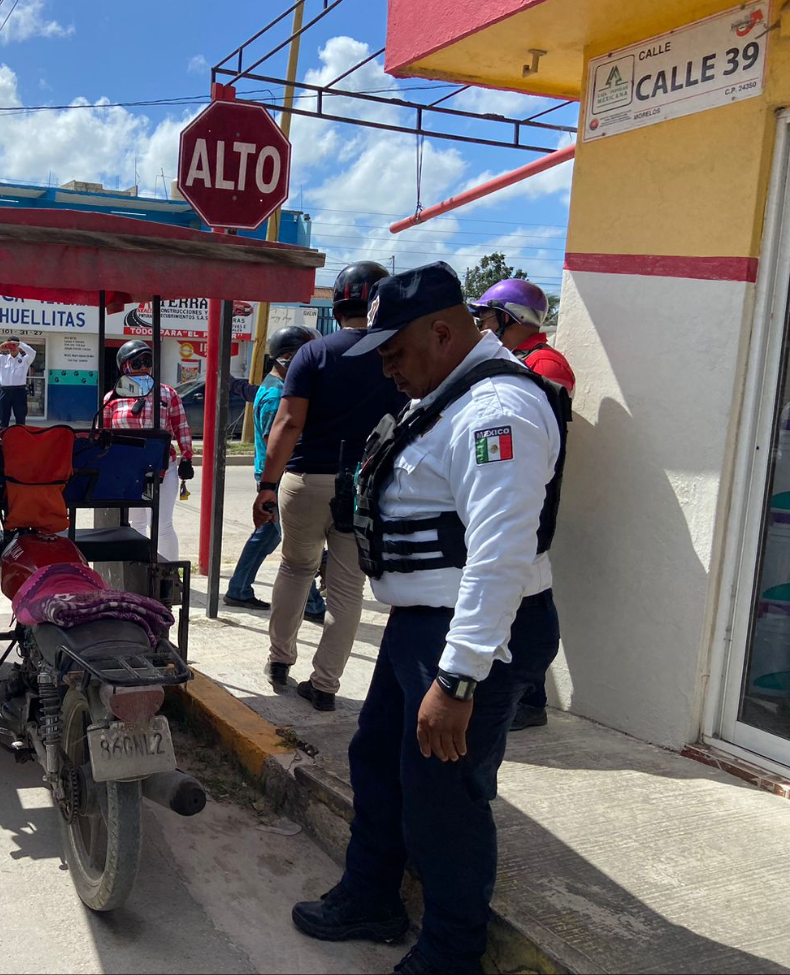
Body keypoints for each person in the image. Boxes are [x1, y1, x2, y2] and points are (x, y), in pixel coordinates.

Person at [290, 263, 568, 975]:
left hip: (473, 631)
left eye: (393, 352)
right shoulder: (444, 392)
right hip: (422, 622)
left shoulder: (496, 412)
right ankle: (372, 895)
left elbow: (500, 555)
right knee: (379, 760)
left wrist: (459, 676)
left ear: (443, 332)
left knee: (445, 793)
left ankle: (452, 950)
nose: (386, 369)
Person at [253, 262, 406, 711]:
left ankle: (280, 661)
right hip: (366, 484)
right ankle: (325, 686)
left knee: (295, 570)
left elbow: (288, 423)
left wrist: (266, 485)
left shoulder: (313, 354)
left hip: (306, 480)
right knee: (346, 588)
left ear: (337, 302)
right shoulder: (395, 352)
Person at [470, 278, 576, 730]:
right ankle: (526, 696)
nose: (481, 323)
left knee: (528, 599)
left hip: (531, 497)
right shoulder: (511, 359)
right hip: (512, 491)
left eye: (488, 316)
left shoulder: (544, 363)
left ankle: (530, 701)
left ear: (512, 319)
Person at [225, 326, 326, 621]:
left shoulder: (275, 388)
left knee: (268, 535)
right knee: (300, 542)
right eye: (306, 356)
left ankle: (239, 588)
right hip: (279, 478)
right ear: (286, 358)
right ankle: (312, 605)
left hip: (275, 476)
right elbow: (276, 444)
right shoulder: (274, 395)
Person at [102, 340, 194, 561]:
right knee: (137, 524)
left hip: (162, 469)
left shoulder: (167, 394)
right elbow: (103, 436)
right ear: (124, 366)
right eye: (137, 362)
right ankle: (140, 572)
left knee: (162, 524)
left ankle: (169, 575)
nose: (144, 366)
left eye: (148, 361)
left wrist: (187, 457)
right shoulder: (112, 399)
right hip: (127, 473)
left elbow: (181, 426)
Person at [0, 335, 36, 427]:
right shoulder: (3, 358)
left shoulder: (25, 359)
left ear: (18, 347)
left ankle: (20, 438)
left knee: (20, 418)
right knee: (3, 418)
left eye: (14, 346)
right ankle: (3, 438)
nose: (12, 348)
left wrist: (20, 344)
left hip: (19, 391)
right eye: (10, 346)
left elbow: (33, 353)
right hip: (4, 391)